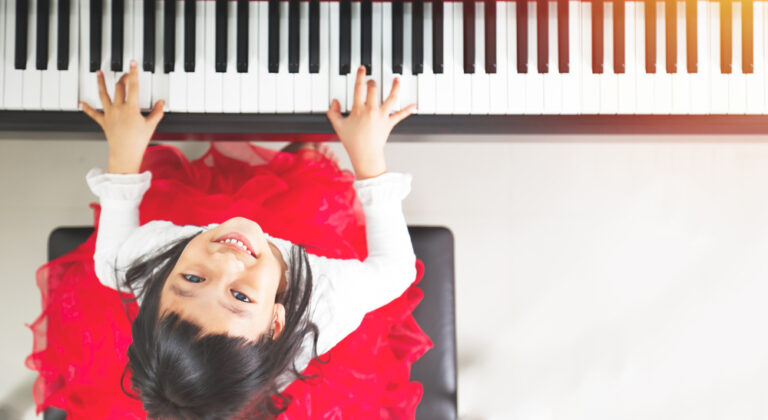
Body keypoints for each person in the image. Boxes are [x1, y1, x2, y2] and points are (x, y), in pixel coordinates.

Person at [26, 61, 432, 419]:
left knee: (163, 168)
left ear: (155, 288)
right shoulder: (330, 296)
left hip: (204, 234)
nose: (224, 262)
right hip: (298, 246)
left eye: (192, 281)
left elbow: (109, 259)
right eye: (239, 298)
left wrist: (125, 150)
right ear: (277, 322)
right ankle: (304, 152)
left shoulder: (138, 260)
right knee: (310, 166)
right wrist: (368, 157)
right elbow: (395, 270)